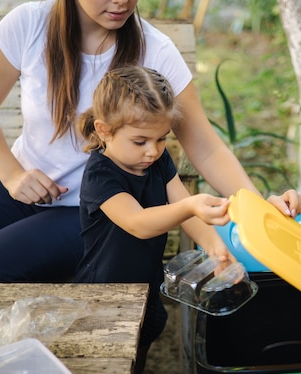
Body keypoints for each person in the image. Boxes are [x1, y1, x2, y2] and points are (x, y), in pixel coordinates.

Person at [0, 0, 301, 283]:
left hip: (100, 208)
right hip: (25, 186)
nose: (121, 3)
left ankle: (21, 366)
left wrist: (259, 209)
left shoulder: (156, 51)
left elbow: (206, 146)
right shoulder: (29, 24)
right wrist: (13, 176)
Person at [75, 65, 232, 344]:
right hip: (104, 294)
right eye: (140, 141)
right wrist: (190, 207)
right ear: (104, 130)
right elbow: (138, 223)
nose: (153, 150)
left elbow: (185, 206)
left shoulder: (157, 161)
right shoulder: (101, 174)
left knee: (142, 347)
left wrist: (213, 247)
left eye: (162, 138)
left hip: (146, 285)